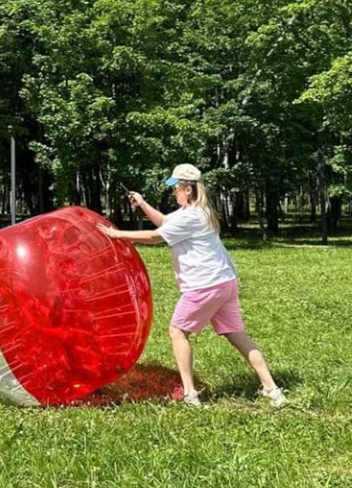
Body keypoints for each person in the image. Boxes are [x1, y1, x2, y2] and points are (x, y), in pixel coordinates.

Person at [97, 163, 286, 408]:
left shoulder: (190, 217)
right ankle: (272, 390)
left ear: (187, 189)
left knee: (178, 332)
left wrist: (117, 235)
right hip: (224, 282)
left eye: (176, 188)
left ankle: (190, 394)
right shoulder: (199, 212)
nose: (173, 192)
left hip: (204, 284)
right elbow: (164, 222)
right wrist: (142, 204)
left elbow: (156, 236)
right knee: (238, 336)